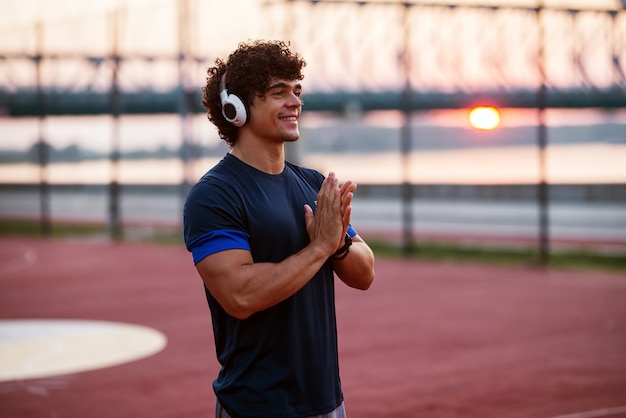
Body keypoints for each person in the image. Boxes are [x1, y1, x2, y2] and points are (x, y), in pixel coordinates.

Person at [183, 40, 375, 418]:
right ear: (235, 108)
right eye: (279, 93)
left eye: (297, 91)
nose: (295, 102)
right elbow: (240, 296)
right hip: (256, 405)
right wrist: (319, 247)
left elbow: (366, 272)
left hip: (327, 402)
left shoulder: (312, 183)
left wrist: (337, 247)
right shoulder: (214, 195)